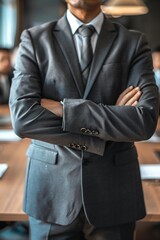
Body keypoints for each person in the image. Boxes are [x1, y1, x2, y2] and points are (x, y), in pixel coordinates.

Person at [9, 0, 159, 239]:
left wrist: (62, 108)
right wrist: (112, 113)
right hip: (50, 190)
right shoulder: (34, 38)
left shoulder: (133, 41)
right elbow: (24, 118)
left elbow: (143, 122)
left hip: (115, 189)